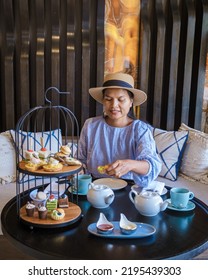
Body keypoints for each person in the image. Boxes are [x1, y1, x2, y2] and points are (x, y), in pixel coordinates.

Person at [77, 72, 162, 187]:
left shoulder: (140, 129)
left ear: (131, 102)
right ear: (103, 101)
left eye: (121, 99)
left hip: (128, 188)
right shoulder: (90, 125)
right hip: (93, 187)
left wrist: (130, 165)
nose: (114, 105)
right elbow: (80, 160)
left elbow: (152, 166)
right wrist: (78, 171)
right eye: (108, 99)